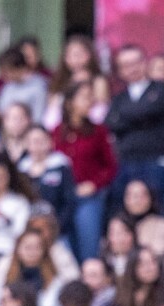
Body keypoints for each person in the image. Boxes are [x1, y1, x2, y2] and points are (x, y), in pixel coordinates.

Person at [53, 85, 119, 263]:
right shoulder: (56, 133)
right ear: (69, 103)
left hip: (89, 196)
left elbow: (111, 167)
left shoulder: (98, 131)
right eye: (84, 97)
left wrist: (94, 184)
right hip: (62, 198)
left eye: (91, 97)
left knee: (88, 239)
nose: (90, 101)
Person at [106, 45, 164, 209]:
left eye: (135, 63)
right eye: (125, 65)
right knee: (122, 209)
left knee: (155, 206)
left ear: (145, 63)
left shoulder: (161, 89)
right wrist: (140, 115)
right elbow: (111, 123)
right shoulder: (118, 98)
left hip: (154, 160)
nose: (131, 69)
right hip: (125, 161)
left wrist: (126, 116)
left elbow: (150, 111)